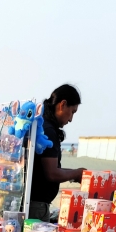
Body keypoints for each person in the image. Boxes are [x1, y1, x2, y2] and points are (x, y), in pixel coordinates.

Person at [29, 84, 86, 222]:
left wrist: (76, 173)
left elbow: (48, 168)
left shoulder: (42, 125)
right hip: (37, 207)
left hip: (32, 203)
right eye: (72, 112)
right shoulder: (48, 130)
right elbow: (52, 173)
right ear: (62, 104)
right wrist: (77, 173)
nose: (71, 119)